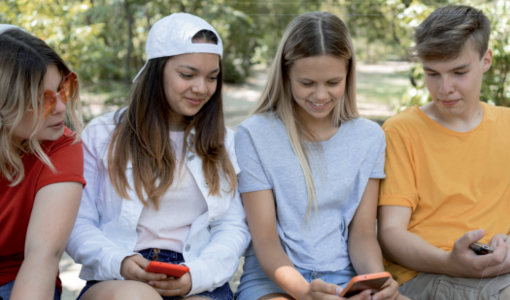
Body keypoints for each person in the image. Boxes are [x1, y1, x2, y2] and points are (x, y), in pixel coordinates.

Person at [65, 13, 250, 300]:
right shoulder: (103, 135)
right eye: (187, 75)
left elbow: (232, 227)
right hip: (119, 277)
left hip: (197, 278)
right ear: (156, 71)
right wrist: (120, 262)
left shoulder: (224, 142)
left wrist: (196, 276)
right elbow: (77, 222)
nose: (201, 88)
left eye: (211, 77)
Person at [234, 12, 403, 300]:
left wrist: (376, 282)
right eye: (308, 83)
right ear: (287, 73)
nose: (321, 95)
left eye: (333, 82)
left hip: (344, 277)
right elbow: (265, 240)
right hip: (274, 278)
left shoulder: (369, 137)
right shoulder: (254, 134)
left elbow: (362, 234)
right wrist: (304, 292)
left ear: (348, 74)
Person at [377, 5, 510, 300]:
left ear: (485, 60)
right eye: (432, 73)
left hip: (496, 271)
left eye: (459, 72)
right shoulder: (401, 131)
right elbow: (390, 234)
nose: (444, 88)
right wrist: (450, 263)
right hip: (426, 274)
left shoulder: (507, 125)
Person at [0, 25, 85, 300]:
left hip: (18, 279)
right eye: (43, 100)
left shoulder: (62, 145)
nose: (61, 107)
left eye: (63, 89)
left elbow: (43, 255)